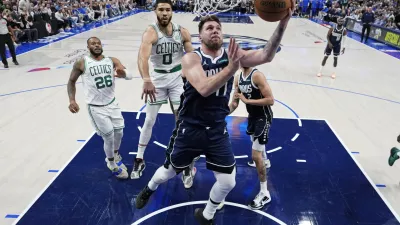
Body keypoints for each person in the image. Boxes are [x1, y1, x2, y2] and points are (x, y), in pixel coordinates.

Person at [135, 1, 294, 223]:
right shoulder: (191, 58)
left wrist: (283, 22)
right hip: (190, 128)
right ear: (200, 36)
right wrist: (232, 67)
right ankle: (149, 188)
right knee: (169, 172)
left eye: (218, 28)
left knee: (228, 181)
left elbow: (267, 54)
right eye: (209, 28)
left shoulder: (232, 55)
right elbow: (204, 88)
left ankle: (207, 213)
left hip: (217, 129)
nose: (215, 31)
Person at [131, 0, 197, 189]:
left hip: (177, 80)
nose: (164, 13)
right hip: (157, 80)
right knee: (149, 120)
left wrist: (192, 75)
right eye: (161, 9)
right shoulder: (151, 32)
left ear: (172, 12)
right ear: (155, 11)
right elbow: (142, 57)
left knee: (181, 121)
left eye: (167, 9)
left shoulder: (182, 31)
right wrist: (146, 79)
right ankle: (139, 159)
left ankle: (186, 165)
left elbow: (191, 57)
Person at [67, 37, 132, 179]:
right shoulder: (82, 62)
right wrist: (72, 100)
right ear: (88, 47)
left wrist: (124, 74)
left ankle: (114, 153)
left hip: (112, 104)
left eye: (98, 43)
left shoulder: (112, 60)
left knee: (119, 132)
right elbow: (71, 81)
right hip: (96, 108)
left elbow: (129, 75)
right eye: (93, 44)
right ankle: (111, 163)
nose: (96, 45)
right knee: (108, 136)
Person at [228, 65, 274, 210]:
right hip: (253, 116)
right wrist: (221, 114)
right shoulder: (238, 77)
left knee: (256, 156)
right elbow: (235, 102)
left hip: (263, 117)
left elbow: (270, 100)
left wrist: (247, 102)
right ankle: (265, 161)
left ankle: (265, 192)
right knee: (255, 142)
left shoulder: (257, 76)